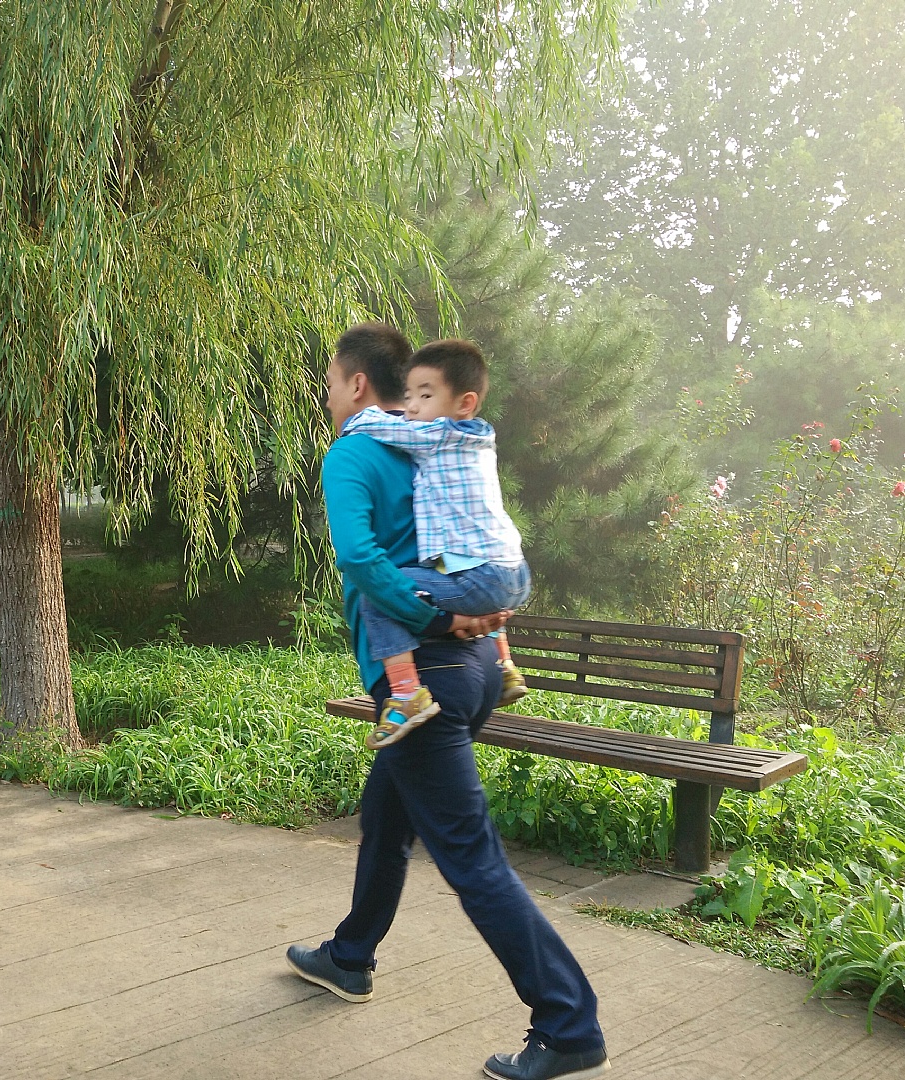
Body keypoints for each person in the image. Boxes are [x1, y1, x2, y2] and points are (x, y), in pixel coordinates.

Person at [285, 323, 609, 1080]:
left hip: (424, 677)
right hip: (478, 668)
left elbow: (359, 558)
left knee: (472, 859)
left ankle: (569, 1025)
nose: (327, 396)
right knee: (386, 816)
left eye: (330, 382)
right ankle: (349, 956)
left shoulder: (354, 451)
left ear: (356, 384)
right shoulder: (437, 439)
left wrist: (431, 619)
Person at [341, 339, 531, 750]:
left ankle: (406, 692)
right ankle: (505, 665)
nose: (411, 407)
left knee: (380, 592)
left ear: (465, 403)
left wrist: (354, 422)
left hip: (483, 576)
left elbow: (380, 426)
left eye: (425, 397)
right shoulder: (478, 438)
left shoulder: (438, 435)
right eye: (408, 395)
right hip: (511, 569)